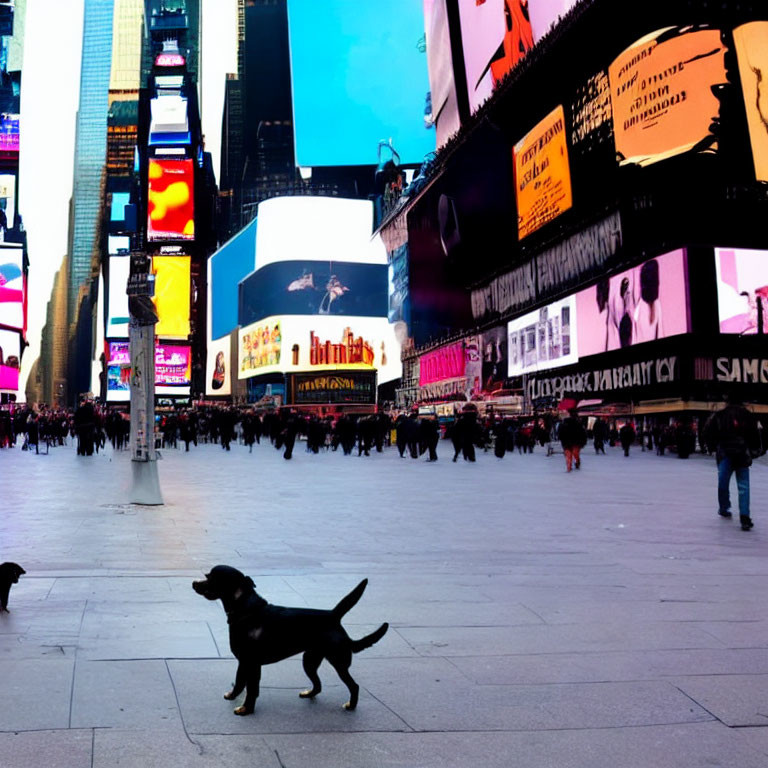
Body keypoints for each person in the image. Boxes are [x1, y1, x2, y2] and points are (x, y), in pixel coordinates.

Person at [704, 394, 762, 530]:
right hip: (742, 454)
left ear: (727, 402)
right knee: (744, 486)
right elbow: (754, 435)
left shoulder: (719, 415)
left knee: (723, 483)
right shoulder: (748, 415)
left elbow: (708, 432)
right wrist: (754, 451)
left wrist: (712, 447)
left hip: (725, 453)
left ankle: (724, 507)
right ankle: (745, 517)